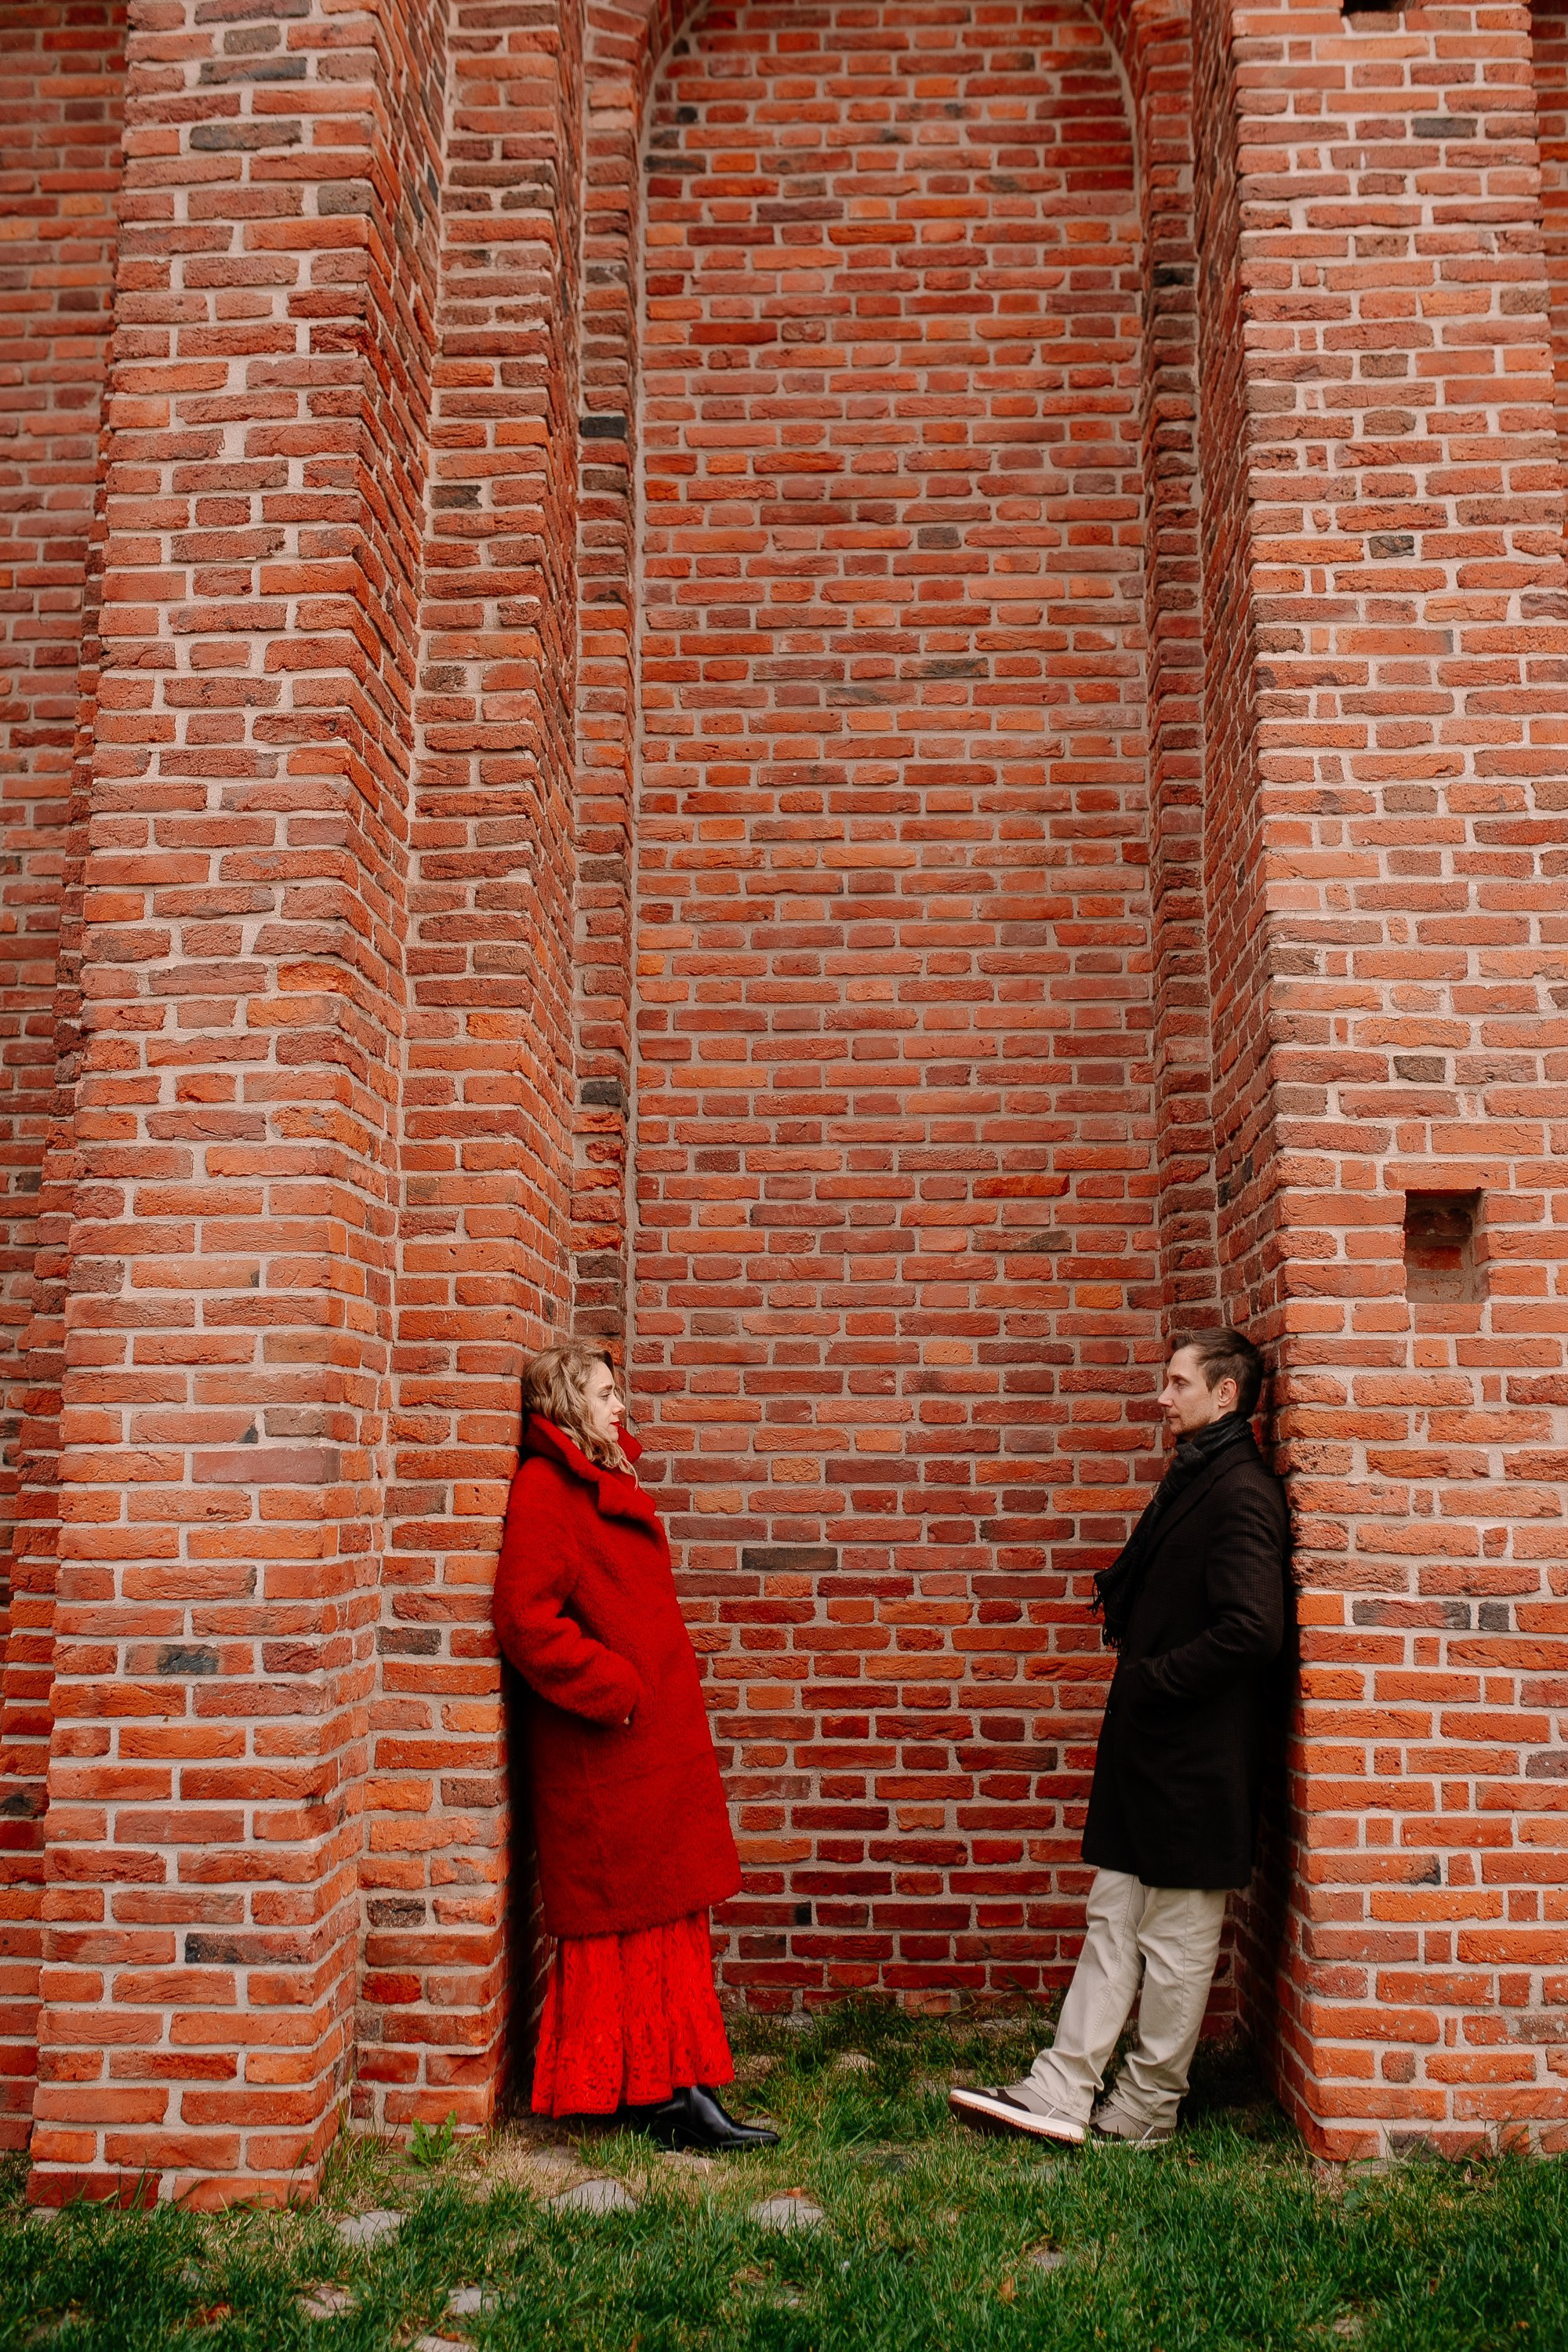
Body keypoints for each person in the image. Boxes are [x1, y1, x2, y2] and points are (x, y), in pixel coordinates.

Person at [949, 1327, 1289, 2149]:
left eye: (1177, 1383)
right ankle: (1060, 2088)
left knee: (1173, 1947)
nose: (1161, 1398)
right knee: (1112, 1922)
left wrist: (1154, 1681)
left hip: (1198, 1760)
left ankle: (1144, 2111)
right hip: (1153, 1752)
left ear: (1225, 1396)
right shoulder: (1196, 1480)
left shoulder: (1239, 1493)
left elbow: (1253, 1631)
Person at [493, 1341, 777, 2153]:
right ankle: (668, 2100)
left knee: (664, 1924)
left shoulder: (596, 1483)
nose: (620, 1406)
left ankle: (666, 2087)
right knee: (633, 1928)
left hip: (641, 1758)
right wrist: (610, 1686)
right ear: (566, 1405)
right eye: (605, 1393)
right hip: (606, 1757)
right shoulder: (550, 1491)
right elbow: (522, 1616)